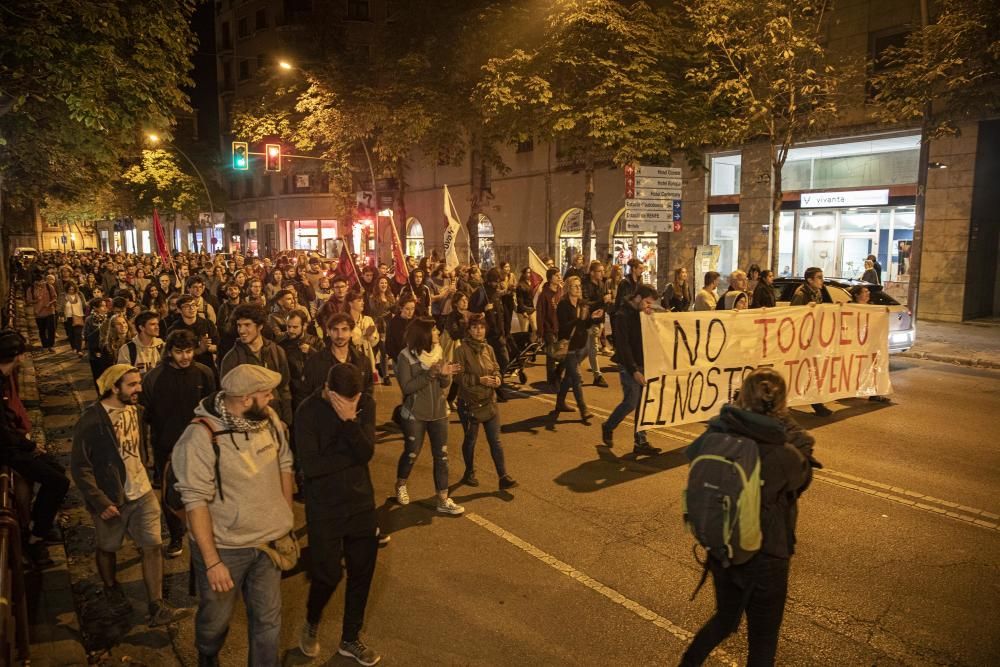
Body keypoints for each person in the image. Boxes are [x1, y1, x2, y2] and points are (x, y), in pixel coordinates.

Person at [680, 368, 815, 666]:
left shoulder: (718, 432)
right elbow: (801, 481)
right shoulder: (782, 452)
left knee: (725, 619)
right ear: (780, 404)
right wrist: (788, 427)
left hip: (724, 547)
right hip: (766, 557)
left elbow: (693, 455)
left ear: (741, 396)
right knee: (762, 640)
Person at [172, 364, 295, 667]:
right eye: (265, 395)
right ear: (244, 399)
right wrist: (213, 562)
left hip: (268, 544)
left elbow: (284, 466)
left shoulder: (269, 421)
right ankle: (207, 653)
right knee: (215, 621)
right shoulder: (200, 437)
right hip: (225, 549)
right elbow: (195, 501)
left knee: (268, 623)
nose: (272, 399)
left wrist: (284, 518)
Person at [70, 365, 189, 627]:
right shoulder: (92, 420)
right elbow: (80, 467)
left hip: (143, 492)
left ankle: (157, 605)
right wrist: (100, 501)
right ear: (115, 387)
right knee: (108, 547)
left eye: (139, 383)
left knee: (153, 546)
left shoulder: (135, 411)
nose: (139, 389)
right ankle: (111, 588)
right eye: (132, 384)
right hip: (112, 498)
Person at [295, 363, 382, 665]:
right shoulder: (308, 411)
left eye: (355, 399)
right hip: (325, 508)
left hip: (361, 505)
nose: (352, 405)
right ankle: (312, 621)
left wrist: (349, 422)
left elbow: (367, 452)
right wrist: (350, 446)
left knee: (362, 573)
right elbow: (311, 467)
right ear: (328, 391)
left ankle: (350, 638)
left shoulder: (365, 403)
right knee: (328, 574)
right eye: (345, 400)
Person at [141, 330, 216, 558]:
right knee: (170, 495)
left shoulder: (204, 374)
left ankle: (205, 535)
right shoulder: (154, 378)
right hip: (167, 447)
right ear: (169, 352)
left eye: (189, 351)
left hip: (200, 446)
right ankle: (176, 536)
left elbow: (213, 409)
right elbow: (146, 415)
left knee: (204, 491)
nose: (185, 357)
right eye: (179, 352)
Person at [0, 330, 69, 565]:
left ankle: (38, 525)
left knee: (57, 473)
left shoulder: (5, 379)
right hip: (10, 450)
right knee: (58, 481)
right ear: (17, 356)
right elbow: (4, 431)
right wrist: (31, 446)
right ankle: (35, 537)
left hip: (15, 443)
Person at [393, 317, 464, 515]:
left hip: (439, 413)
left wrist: (445, 374)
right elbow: (407, 387)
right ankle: (401, 484)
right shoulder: (405, 356)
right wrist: (431, 373)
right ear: (423, 334)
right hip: (415, 414)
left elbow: (443, 385)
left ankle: (442, 498)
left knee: (441, 456)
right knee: (411, 453)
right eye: (434, 331)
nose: (438, 334)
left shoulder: (439, 352)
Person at [454, 313, 518, 490]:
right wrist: (479, 380)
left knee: (495, 441)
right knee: (470, 440)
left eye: (481, 327)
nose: (479, 331)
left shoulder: (488, 348)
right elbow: (458, 378)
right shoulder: (461, 350)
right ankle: (469, 472)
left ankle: (503, 476)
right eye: (474, 327)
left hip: (489, 401)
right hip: (470, 403)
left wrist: (497, 378)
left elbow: (496, 368)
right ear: (468, 330)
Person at [602, 285, 662, 456]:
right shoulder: (622, 316)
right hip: (629, 365)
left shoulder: (644, 313)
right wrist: (634, 370)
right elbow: (623, 346)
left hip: (644, 363)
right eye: (647, 302)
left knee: (644, 404)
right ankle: (608, 426)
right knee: (632, 401)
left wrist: (652, 319)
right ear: (638, 298)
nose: (648, 306)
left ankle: (640, 442)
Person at [218, 304, 293, 426]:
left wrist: (286, 421)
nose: (241, 330)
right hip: (248, 425)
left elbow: (284, 388)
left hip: (275, 419)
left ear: (260, 326)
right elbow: (228, 398)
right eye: (239, 325)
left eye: (247, 325)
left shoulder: (277, 352)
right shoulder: (231, 359)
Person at [553, 276, 600, 422]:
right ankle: (583, 409)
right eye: (575, 286)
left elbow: (585, 324)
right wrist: (578, 319)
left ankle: (560, 402)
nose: (578, 288)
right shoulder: (563, 305)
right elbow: (563, 327)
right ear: (568, 288)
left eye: (579, 286)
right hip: (569, 347)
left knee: (569, 375)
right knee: (577, 377)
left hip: (582, 346)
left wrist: (593, 320)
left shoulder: (582, 303)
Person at [791, 267, 833, 417]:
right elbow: (794, 317)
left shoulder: (818, 293)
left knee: (811, 372)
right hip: (803, 341)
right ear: (810, 280)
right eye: (819, 277)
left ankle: (816, 403)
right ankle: (816, 405)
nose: (822, 280)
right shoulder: (800, 294)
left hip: (813, 340)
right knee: (803, 372)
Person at [850, 285, 891, 404]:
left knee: (873, 368)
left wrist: (884, 313)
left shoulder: (872, 308)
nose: (868, 294)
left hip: (870, 344)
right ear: (857, 295)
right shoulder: (850, 307)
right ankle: (846, 390)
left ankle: (875, 393)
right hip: (856, 345)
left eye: (868, 291)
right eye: (865, 292)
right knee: (854, 369)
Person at [278, 309, 321, 413]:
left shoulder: (316, 341)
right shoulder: (282, 346)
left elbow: (326, 363)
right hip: (293, 395)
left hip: (314, 393)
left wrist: (311, 351)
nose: (291, 330)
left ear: (304, 326)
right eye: (289, 326)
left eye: (295, 327)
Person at [169, 294, 220, 372]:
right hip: (184, 370)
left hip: (207, 368)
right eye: (186, 306)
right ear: (179, 310)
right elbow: (174, 356)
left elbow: (218, 345)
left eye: (193, 305)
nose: (191, 308)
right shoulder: (174, 329)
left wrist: (210, 347)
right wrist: (200, 349)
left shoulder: (208, 324)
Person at [581, 261, 612, 388]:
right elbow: (586, 303)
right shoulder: (585, 285)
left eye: (602, 271)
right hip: (587, 320)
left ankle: (565, 368)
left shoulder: (601, 284)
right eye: (599, 271)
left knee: (585, 349)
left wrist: (606, 302)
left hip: (598, 321)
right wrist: (602, 300)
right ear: (592, 272)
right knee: (593, 348)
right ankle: (597, 375)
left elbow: (603, 305)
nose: (602, 273)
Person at [537, 268, 564, 386]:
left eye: (559, 275)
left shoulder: (561, 292)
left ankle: (558, 375)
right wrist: (540, 332)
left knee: (564, 355)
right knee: (552, 356)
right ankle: (551, 380)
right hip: (549, 329)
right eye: (556, 275)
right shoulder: (544, 295)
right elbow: (540, 314)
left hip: (561, 329)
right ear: (550, 278)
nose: (559, 277)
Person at [117, 311, 163, 376]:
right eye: (152, 324)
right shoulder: (127, 349)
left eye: (157, 324)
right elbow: (124, 377)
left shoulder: (163, 346)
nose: (157, 327)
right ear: (141, 327)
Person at [27, 272, 59, 351]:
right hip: (38, 313)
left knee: (51, 329)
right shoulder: (30, 289)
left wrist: (50, 303)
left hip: (50, 311)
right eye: (37, 281)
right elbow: (28, 300)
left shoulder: (49, 286)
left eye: (41, 281)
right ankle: (45, 345)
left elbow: (55, 297)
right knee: (42, 330)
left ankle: (51, 345)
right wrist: (36, 300)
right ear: (34, 282)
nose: (40, 283)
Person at [385, 298, 416, 369]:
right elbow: (389, 343)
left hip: (415, 360)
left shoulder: (416, 321)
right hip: (399, 360)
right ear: (401, 309)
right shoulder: (393, 323)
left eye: (413, 309)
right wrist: (397, 358)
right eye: (407, 309)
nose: (410, 312)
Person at [62, 281, 87, 356]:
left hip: (79, 316)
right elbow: (60, 305)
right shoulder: (63, 296)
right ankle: (74, 347)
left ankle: (79, 349)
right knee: (71, 334)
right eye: (70, 289)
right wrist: (61, 315)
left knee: (78, 333)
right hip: (68, 317)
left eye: (73, 289)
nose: (71, 291)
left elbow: (84, 305)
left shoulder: (79, 294)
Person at [514, 267, 537, 337]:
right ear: (524, 274)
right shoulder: (520, 285)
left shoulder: (530, 283)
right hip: (523, 309)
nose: (529, 274)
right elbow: (519, 300)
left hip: (531, 308)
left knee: (535, 329)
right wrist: (523, 311)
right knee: (524, 331)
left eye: (530, 272)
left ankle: (534, 344)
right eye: (527, 272)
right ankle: (525, 346)